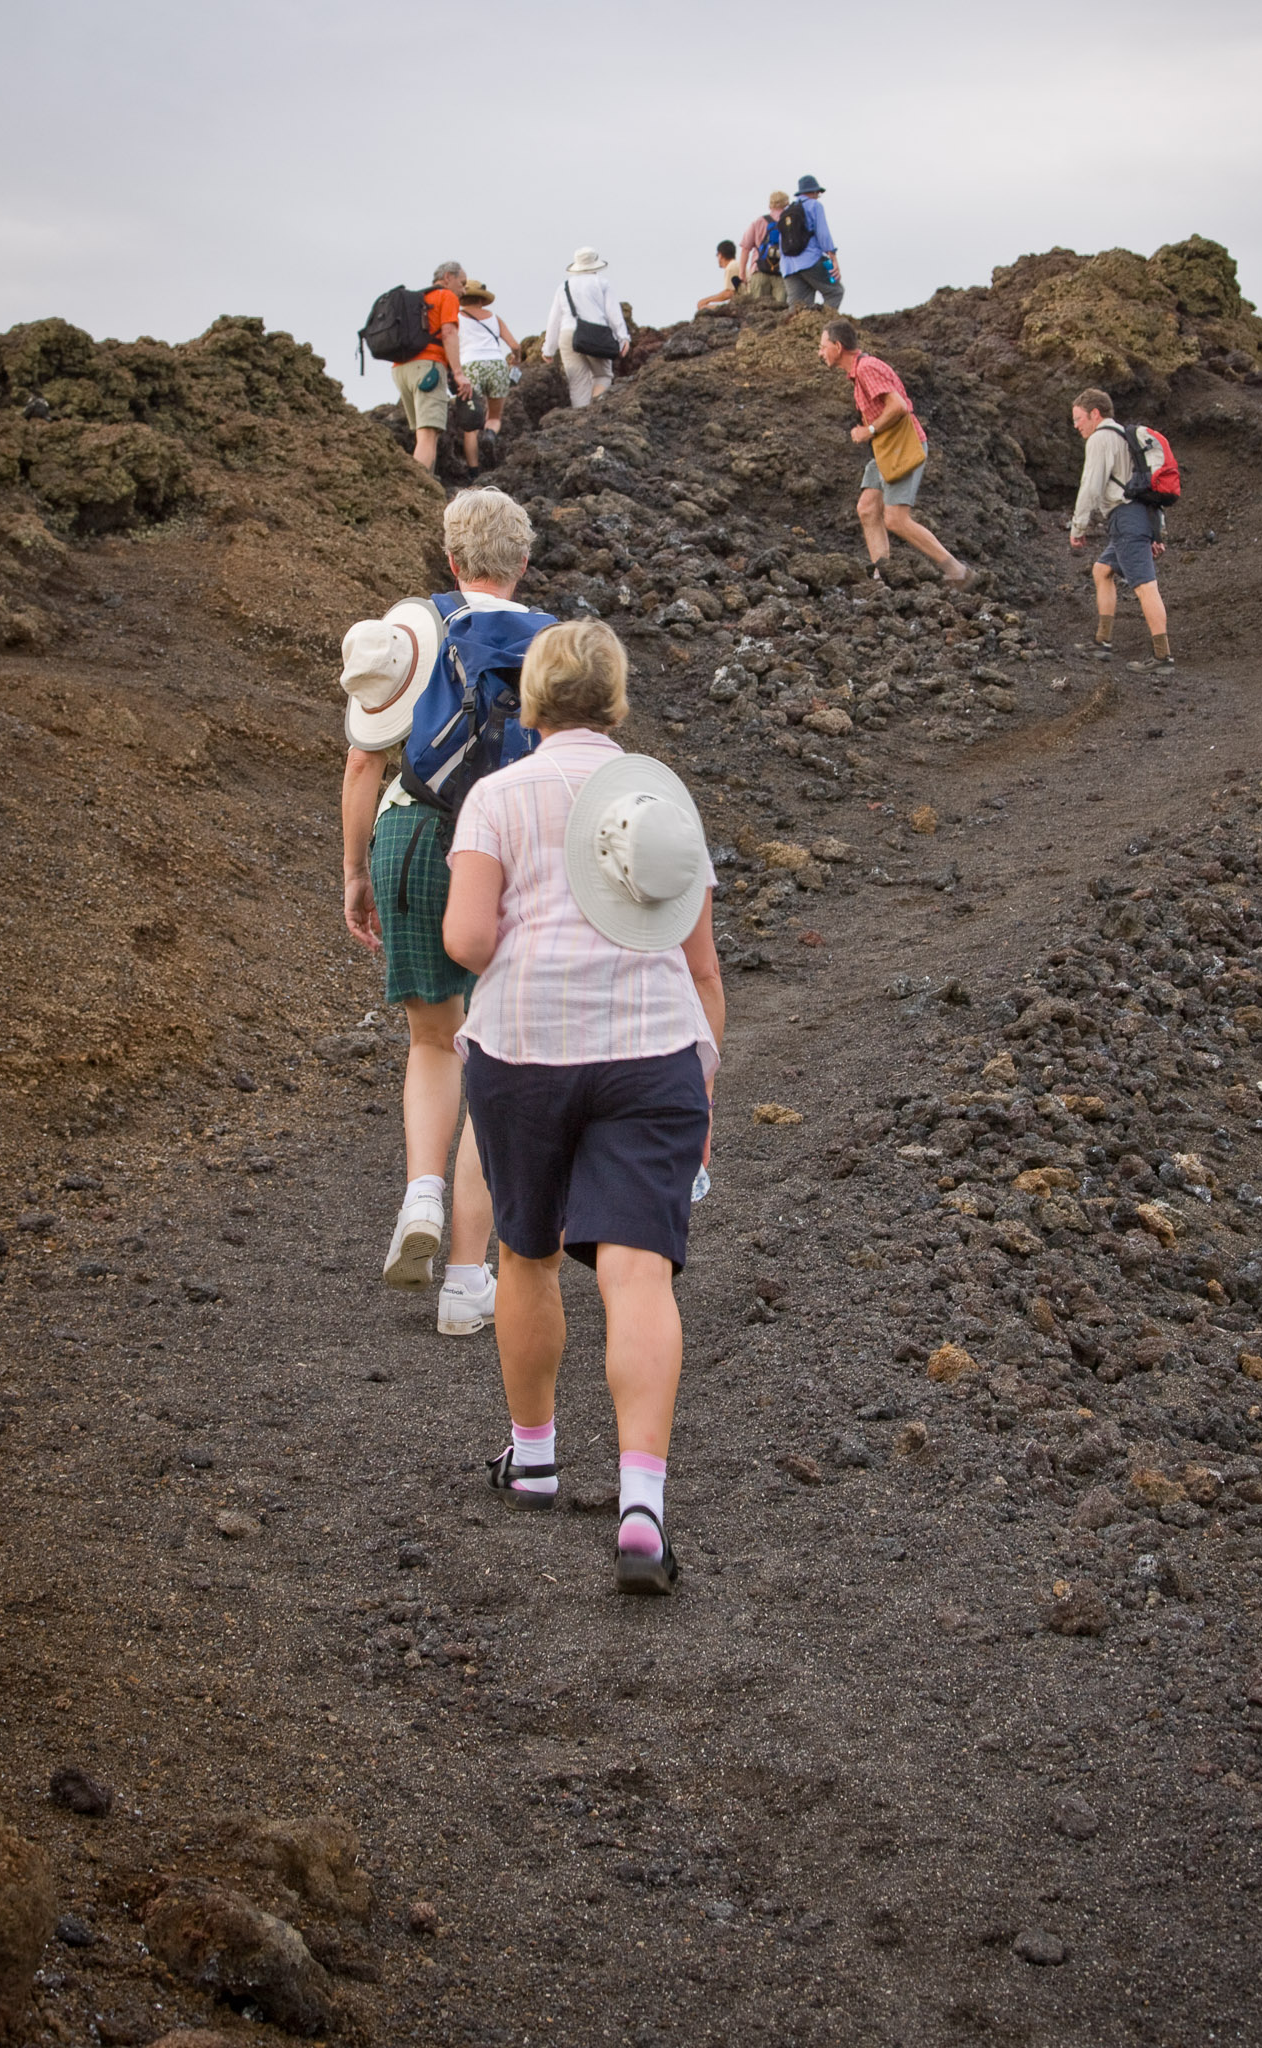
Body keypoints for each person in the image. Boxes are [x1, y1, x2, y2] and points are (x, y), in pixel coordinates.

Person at [441, 619, 725, 1597]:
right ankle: (640, 1503)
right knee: (639, 1270)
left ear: (530, 701)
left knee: (525, 1252)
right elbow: (701, 964)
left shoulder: (494, 797)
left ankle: (534, 1456)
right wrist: (705, 1078)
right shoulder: (660, 798)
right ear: (615, 699)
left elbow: (469, 940)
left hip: (523, 1049)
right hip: (651, 1052)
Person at [339, 488, 558, 1336]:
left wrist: (356, 873)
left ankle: (420, 1194)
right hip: (510, 851)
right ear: (524, 563)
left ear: (453, 561)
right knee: (495, 1057)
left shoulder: (416, 631)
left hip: (413, 833)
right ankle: (468, 1283)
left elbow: (364, 766)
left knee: (434, 1041)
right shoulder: (555, 645)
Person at [817, 319, 972, 588]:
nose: (820, 353)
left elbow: (899, 406)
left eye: (822, 346)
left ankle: (957, 570)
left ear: (838, 347)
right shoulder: (860, 371)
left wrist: (868, 430)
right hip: (886, 449)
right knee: (867, 508)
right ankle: (882, 576)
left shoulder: (866, 368)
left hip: (901, 447)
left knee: (896, 519)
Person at [1067, 387, 1172, 666]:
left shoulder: (1101, 438)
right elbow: (1144, 489)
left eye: (1079, 418)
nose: (1076, 426)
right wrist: (1154, 531)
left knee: (1145, 586)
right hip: (1134, 518)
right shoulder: (1125, 437)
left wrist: (1078, 527)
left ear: (1095, 414)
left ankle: (1163, 658)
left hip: (1126, 518)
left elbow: (1091, 486)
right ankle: (1102, 643)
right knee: (1102, 570)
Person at [392, 262, 473, 475]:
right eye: (462, 283)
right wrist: (458, 373)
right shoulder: (446, 297)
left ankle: (423, 488)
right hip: (428, 369)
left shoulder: (420, 300)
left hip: (401, 369)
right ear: (447, 277)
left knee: (423, 435)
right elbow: (448, 333)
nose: (464, 290)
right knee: (428, 435)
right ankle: (414, 491)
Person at [542, 248, 630, 411]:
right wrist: (623, 337)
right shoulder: (602, 283)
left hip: (567, 334)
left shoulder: (564, 286)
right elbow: (613, 313)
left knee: (577, 383)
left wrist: (549, 349)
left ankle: (579, 424)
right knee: (603, 376)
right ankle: (593, 414)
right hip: (595, 333)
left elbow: (554, 319)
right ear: (595, 265)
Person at [454, 279, 520, 481]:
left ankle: (474, 472)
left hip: (470, 366)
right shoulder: (494, 318)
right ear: (483, 300)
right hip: (496, 364)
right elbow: (515, 346)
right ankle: (490, 434)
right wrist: (515, 361)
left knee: (470, 424)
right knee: (494, 417)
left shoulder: (457, 317)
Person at [781, 175, 843, 313]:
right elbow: (823, 234)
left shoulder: (787, 211)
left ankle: (795, 333)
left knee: (798, 308)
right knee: (835, 292)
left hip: (788, 267)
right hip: (810, 260)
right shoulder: (815, 206)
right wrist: (833, 256)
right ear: (814, 192)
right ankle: (825, 328)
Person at [739, 192, 789, 308]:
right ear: (786, 204)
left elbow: (745, 248)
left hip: (759, 271)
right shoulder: (788, 223)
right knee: (780, 311)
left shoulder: (758, 222)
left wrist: (742, 273)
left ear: (770, 205)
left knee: (757, 310)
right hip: (781, 272)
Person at [695, 241, 743, 314]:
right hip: (742, 301)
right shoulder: (737, 265)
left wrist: (706, 300)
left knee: (704, 308)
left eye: (717, 255)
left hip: (741, 304)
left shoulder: (731, 267)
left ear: (720, 255)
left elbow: (729, 293)